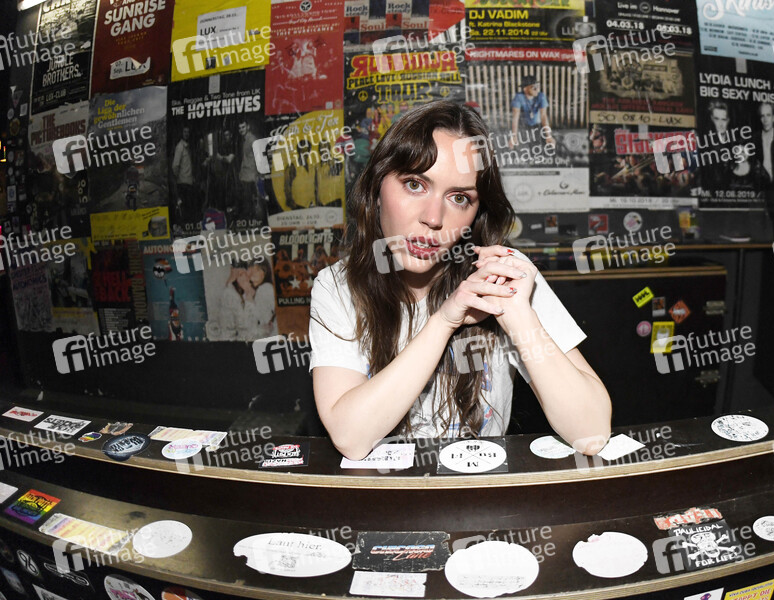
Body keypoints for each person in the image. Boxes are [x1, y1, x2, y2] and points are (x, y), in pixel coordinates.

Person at [309, 101, 611, 460]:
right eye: (415, 184)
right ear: (377, 187)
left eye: (459, 197)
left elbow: (591, 434)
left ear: (476, 213)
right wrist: (444, 321)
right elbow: (350, 437)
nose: (433, 217)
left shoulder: (504, 273)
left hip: (480, 492)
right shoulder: (338, 286)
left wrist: (517, 314)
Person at [217, 259, 277, 341]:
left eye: (258, 269)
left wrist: (248, 295)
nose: (253, 273)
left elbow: (259, 323)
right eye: (252, 269)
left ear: (265, 273)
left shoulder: (265, 288)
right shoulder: (244, 293)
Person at [511, 75, 555, 154]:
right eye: (534, 87)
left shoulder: (541, 96)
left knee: (541, 146)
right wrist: (514, 136)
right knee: (524, 149)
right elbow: (515, 117)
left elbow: (543, 116)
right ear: (525, 89)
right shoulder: (519, 97)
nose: (537, 89)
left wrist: (548, 135)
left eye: (538, 87)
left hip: (538, 126)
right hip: (523, 127)